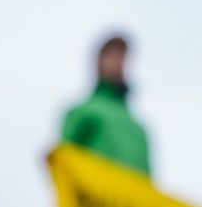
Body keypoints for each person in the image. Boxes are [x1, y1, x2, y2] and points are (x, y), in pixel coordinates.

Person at [61, 34, 152, 176]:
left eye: (122, 56)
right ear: (98, 62)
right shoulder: (82, 112)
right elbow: (64, 165)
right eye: (111, 55)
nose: (118, 62)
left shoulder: (138, 129)